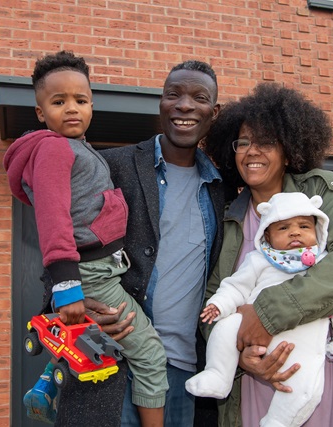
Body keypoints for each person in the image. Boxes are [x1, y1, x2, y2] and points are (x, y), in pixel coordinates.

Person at [202, 82, 333, 426]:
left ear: (289, 149)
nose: (252, 152)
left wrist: (266, 314)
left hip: (324, 371)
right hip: (258, 381)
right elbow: (213, 297)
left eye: (266, 142)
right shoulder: (226, 214)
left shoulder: (321, 193)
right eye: (243, 142)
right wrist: (239, 356)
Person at [3, 50, 167, 426]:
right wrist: (67, 286)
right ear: (41, 112)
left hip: (100, 269)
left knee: (92, 341)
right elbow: (53, 216)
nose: (71, 108)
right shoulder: (53, 148)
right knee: (149, 354)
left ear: (92, 104)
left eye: (80, 100)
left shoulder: (74, 146)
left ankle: (45, 385)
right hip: (90, 273)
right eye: (58, 102)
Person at [97, 60, 232, 427]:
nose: (185, 105)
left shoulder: (223, 188)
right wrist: (77, 299)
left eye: (198, 98)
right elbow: (60, 235)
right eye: (174, 95)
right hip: (114, 358)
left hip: (185, 373)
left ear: (213, 112)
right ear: (161, 104)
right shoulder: (113, 165)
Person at [186, 192, 333, 427]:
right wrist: (219, 305)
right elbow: (236, 287)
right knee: (225, 328)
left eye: (304, 226)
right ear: (267, 235)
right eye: (283, 228)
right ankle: (218, 375)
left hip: (302, 345)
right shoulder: (259, 260)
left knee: (304, 387)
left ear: (318, 230)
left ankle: (278, 421)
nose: (295, 232)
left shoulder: (323, 261)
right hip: (254, 334)